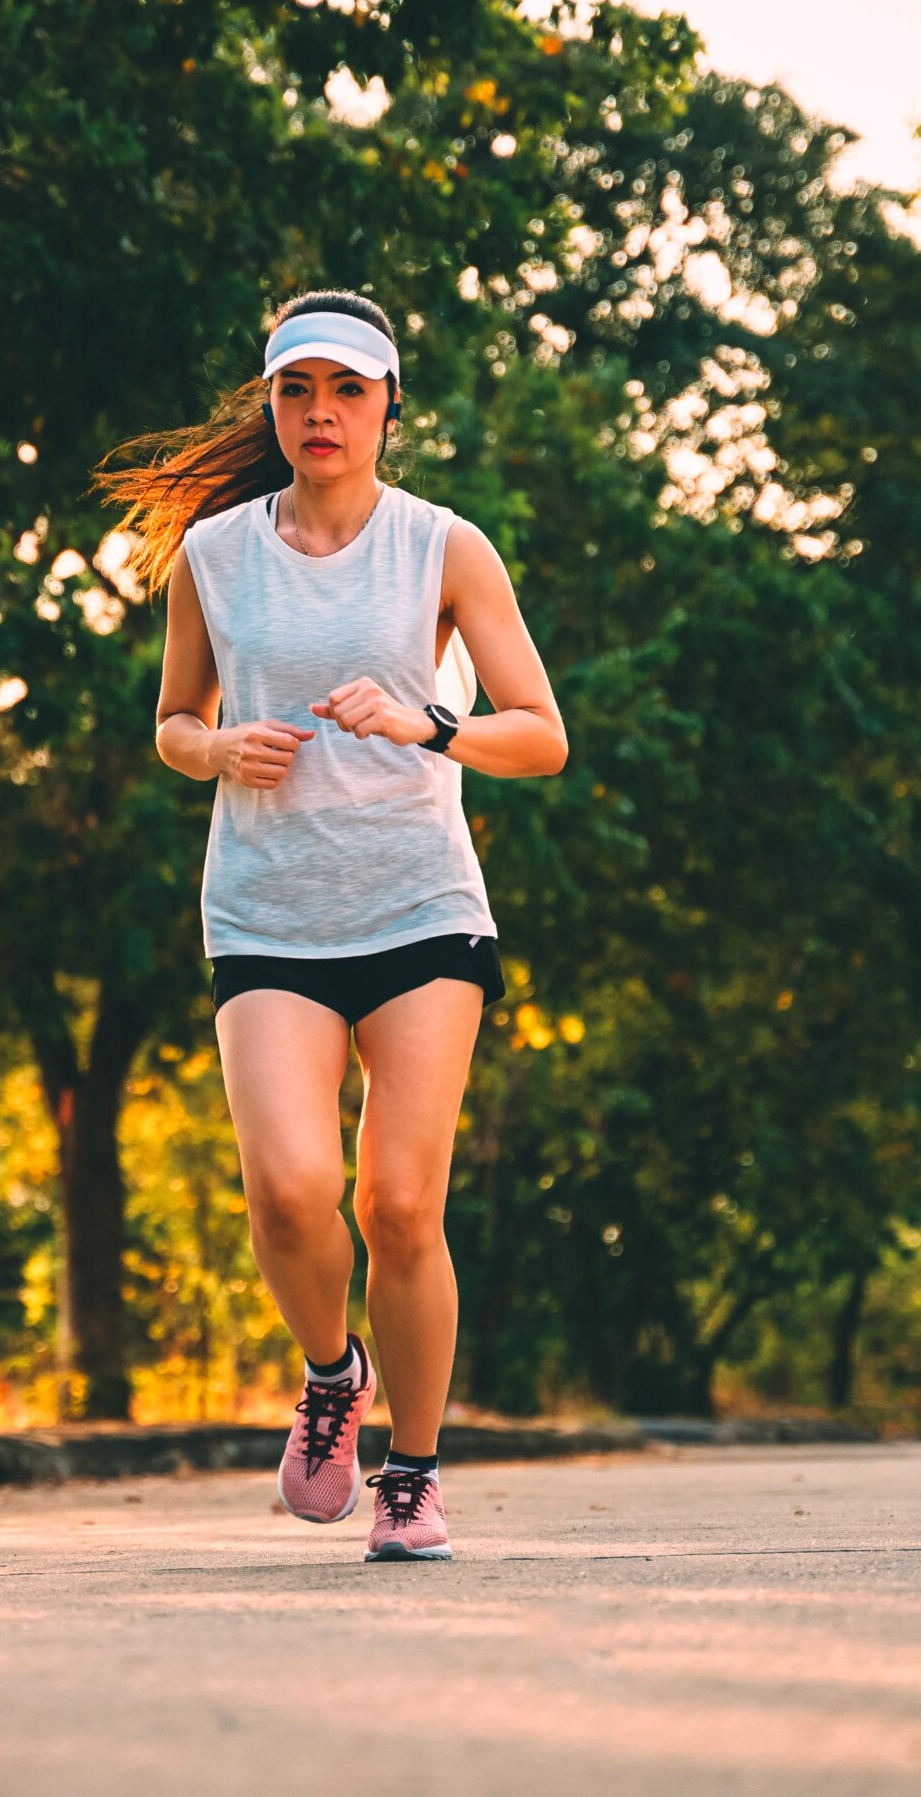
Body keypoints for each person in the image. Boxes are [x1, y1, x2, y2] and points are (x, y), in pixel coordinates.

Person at [100, 292, 568, 1561]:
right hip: (267, 913)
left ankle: (411, 1473)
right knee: (292, 1191)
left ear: (387, 407)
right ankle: (330, 1378)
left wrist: (432, 724)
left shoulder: (445, 549)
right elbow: (172, 721)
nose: (321, 412)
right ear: (273, 403)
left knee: (401, 1203)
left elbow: (541, 733)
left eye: (348, 390)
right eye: (298, 389)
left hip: (419, 906)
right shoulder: (214, 555)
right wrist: (215, 750)